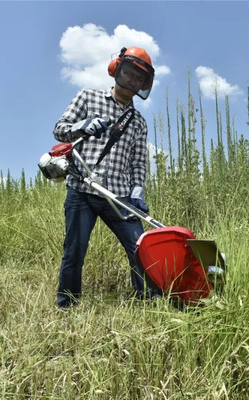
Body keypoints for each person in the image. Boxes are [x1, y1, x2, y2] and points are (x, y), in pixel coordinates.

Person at [52, 46, 156, 308]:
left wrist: (137, 192)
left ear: (144, 84)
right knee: (74, 252)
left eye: (138, 78)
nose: (132, 80)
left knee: (140, 248)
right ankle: (67, 305)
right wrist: (80, 127)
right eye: (129, 73)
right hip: (82, 188)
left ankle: (147, 299)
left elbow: (138, 162)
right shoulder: (87, 97)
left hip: (118, 195)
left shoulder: (138, 122)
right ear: (116, 70)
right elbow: (59, 129)